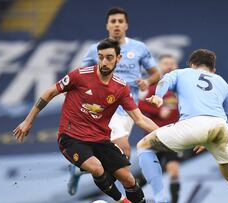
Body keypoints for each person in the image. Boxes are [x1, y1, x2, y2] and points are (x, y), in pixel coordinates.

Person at [13, 38, 160, 203]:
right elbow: (49, 93)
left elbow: (139, 119)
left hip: (100, 140)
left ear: (118, 58)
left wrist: (165, 135)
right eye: (101, 57)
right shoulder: (80, 75)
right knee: (97, 168)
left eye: (109, 57)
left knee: (129, 179)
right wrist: (28, 121)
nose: (104, 62)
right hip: (71, 138)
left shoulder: (121, 88)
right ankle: (122, 201)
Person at [137, 49, 228, 203]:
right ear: (213, 69)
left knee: (144, 145)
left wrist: (158, 97)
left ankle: (160, 199)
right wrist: (222, 136)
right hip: (220, 126)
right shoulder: (222, 82)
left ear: (192, 65)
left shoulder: (182, 73)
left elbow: (164, 81)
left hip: (194, 123)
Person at [68, 7, 160, 196]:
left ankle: (80, 169)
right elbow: (81, 77)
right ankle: (120, 194)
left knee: (122, 155)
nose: (117, 24)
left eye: (120, 21)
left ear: (126, 25)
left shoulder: (139, 48)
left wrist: (147, 82)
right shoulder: (95, 50)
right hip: (104, 107)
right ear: (107, 25)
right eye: (113, 21)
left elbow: (156, 74)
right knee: (123, 149)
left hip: (128, 108)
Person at [138, 54, 181, 203]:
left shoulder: (181, 86)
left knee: (173, 170)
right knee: (149, 175)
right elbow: (139, 105)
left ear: (176, 65)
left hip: (173, 137)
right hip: (154, 137)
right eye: (165, 63)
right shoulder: (153, 86)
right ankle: (133, 196)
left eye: (171, 63)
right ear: (160, 66)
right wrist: (158, 110)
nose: (169, 66)